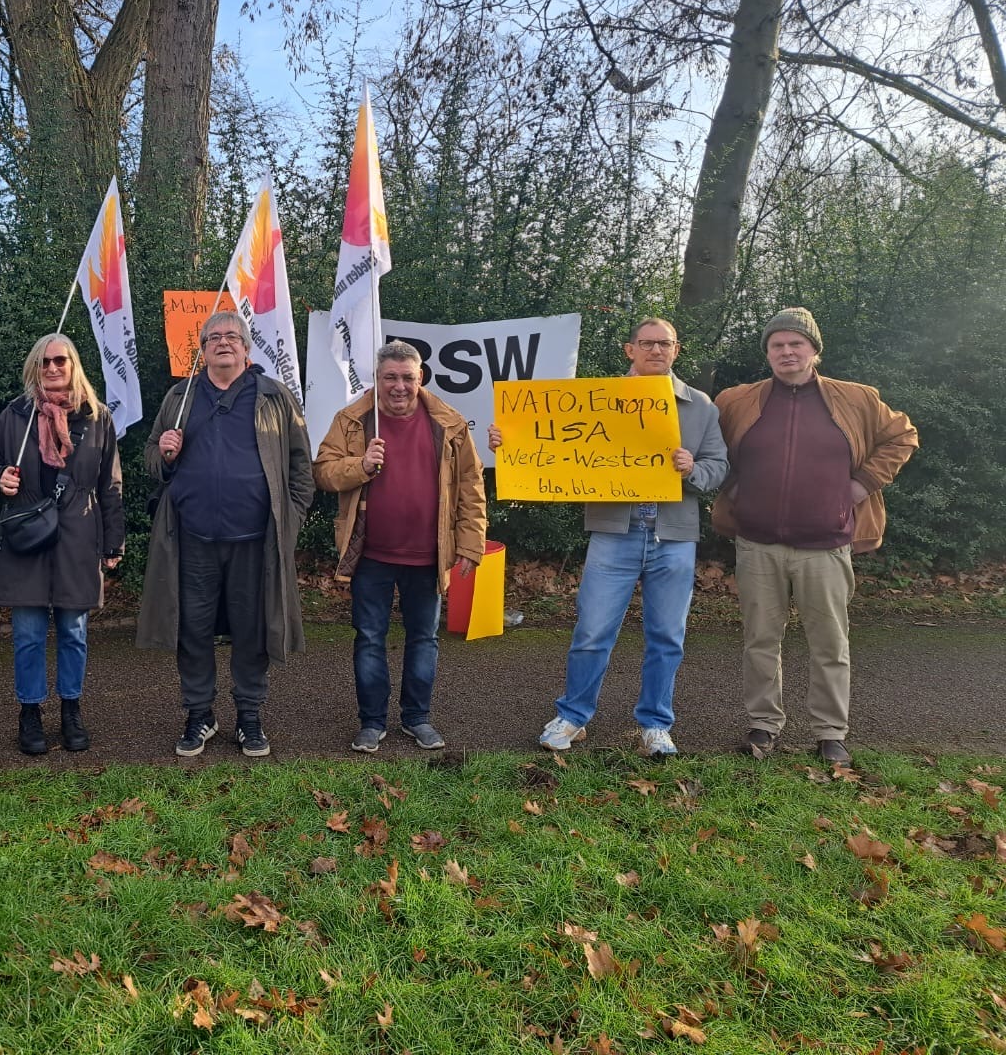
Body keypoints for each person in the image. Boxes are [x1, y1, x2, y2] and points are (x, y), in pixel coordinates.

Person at [490, 318, 728, 757]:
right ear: (629, 350)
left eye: (665, 343)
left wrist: (691, 468)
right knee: (592, 631)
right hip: (614, 533)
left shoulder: (700, 406)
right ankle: (573, 717)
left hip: (673, 536)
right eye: (647, 343)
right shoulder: (593, 401)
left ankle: (655, 725)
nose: (656, 350)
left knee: (667, 637)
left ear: (677, 350)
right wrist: (510, 441)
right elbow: (555, 447)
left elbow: (718, 469)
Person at [712, 307, 918, 766]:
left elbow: (902, 435)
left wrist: (861, 485)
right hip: (757, 543)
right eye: (777, 345)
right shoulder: (736, 400)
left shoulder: (857, 399)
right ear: (767, 353)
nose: (786, 352)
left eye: (795, 344)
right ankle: (763, 726)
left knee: (829, 643)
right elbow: (705, 444)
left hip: (826, 544)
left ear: (814, 351)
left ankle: (830, 733)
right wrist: (731, 485)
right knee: (760, 639)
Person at [137, 310, 314, 759]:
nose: (223, 343)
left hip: (256, 541)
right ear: (201, 349)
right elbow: (152, 460)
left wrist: (289, 522)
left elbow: (300, 465)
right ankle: (200, 714)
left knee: (253, 630)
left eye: (232, 336)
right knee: (192, 630)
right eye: (213, 337)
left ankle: (249, 715)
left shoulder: (274, 396)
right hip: (191, 539)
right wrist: (164, 453)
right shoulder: (180, 396)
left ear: (246, 347)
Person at [312, 341, 487, 754]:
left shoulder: (450, 422)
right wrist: (362, 465)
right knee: (369, 637)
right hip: (370, 554)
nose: (399, 386)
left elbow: (470, 486)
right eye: (390, 377)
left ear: (420, 378)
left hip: (428, 555)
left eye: (407, 377)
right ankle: (371, 723)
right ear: (377, 378)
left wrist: (470, 543)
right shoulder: (354, 420)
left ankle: (417, 718)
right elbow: (322, 471)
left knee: (424, 638)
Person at [0, 333, 125, 756]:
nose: (52, 368)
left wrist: (113, 540)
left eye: (60, 360)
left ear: (74, 364)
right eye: (44, 362)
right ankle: (29, 712)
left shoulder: (96, 416)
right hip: (26, 531)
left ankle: (70, 710)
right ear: (34, 366)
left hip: (77, 535)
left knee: (73, 632)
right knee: (27, 633)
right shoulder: (16, 414)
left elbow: (110, 483)